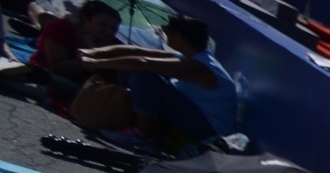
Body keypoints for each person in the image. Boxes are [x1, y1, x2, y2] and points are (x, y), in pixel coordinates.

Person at [78, 13, 237, 143]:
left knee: (144, 75)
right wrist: (94, 53)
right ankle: (122, 115)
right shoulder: (192, 56)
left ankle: (142, 135)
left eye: (166, 31)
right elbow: (137, 51)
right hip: (193, 118)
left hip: (209, 134)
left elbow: (143, 63)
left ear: (178, 36)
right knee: (129, 69)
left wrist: (97, 63)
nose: (164, 34)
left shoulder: (200, 67)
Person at [1, 0, 118, 103]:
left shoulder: (114, 45)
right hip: (49, 73)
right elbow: (58, 68)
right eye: (102, 25)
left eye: (113, 29)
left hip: (81, 89)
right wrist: (90, 54)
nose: (108, 31)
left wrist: (96, 52)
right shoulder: (60, 28)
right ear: (86, 19)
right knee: (41, 75)